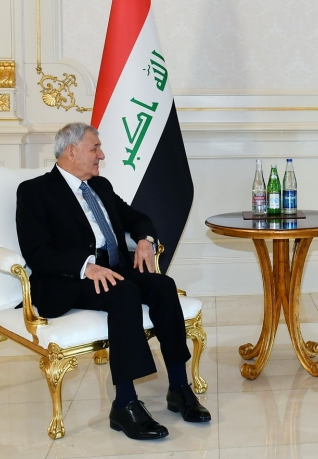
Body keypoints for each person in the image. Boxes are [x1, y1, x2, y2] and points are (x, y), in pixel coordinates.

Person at [16, 122, 210, 440]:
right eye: (95, 148)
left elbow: (137, 218)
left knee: (163, 286)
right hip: (70, 279)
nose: (101, 155)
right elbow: (36, 252)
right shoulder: (35, 191)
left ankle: (179, 388)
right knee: (124, 293)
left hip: (114, 269)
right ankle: (125, 404)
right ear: (71, 151)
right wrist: (86, 267)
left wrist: (145, 240)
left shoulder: (100, 186)